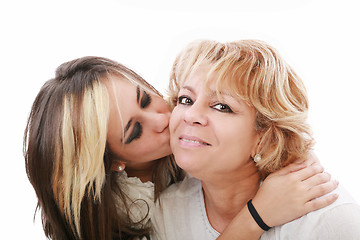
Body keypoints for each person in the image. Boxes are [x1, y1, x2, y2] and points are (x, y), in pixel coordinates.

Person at [24, 56, 338, 240]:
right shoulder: (121, 219)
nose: (164, 119)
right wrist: (254, 217)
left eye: (147, 99)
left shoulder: (193, 123)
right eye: (135, 131)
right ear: (113, 163)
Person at [152, 39, 360, 239]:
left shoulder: (328, 220)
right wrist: (254, 218)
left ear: (266, 137)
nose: (190, 115)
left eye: (222, 106)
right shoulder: (167, 210)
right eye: (186, 100)